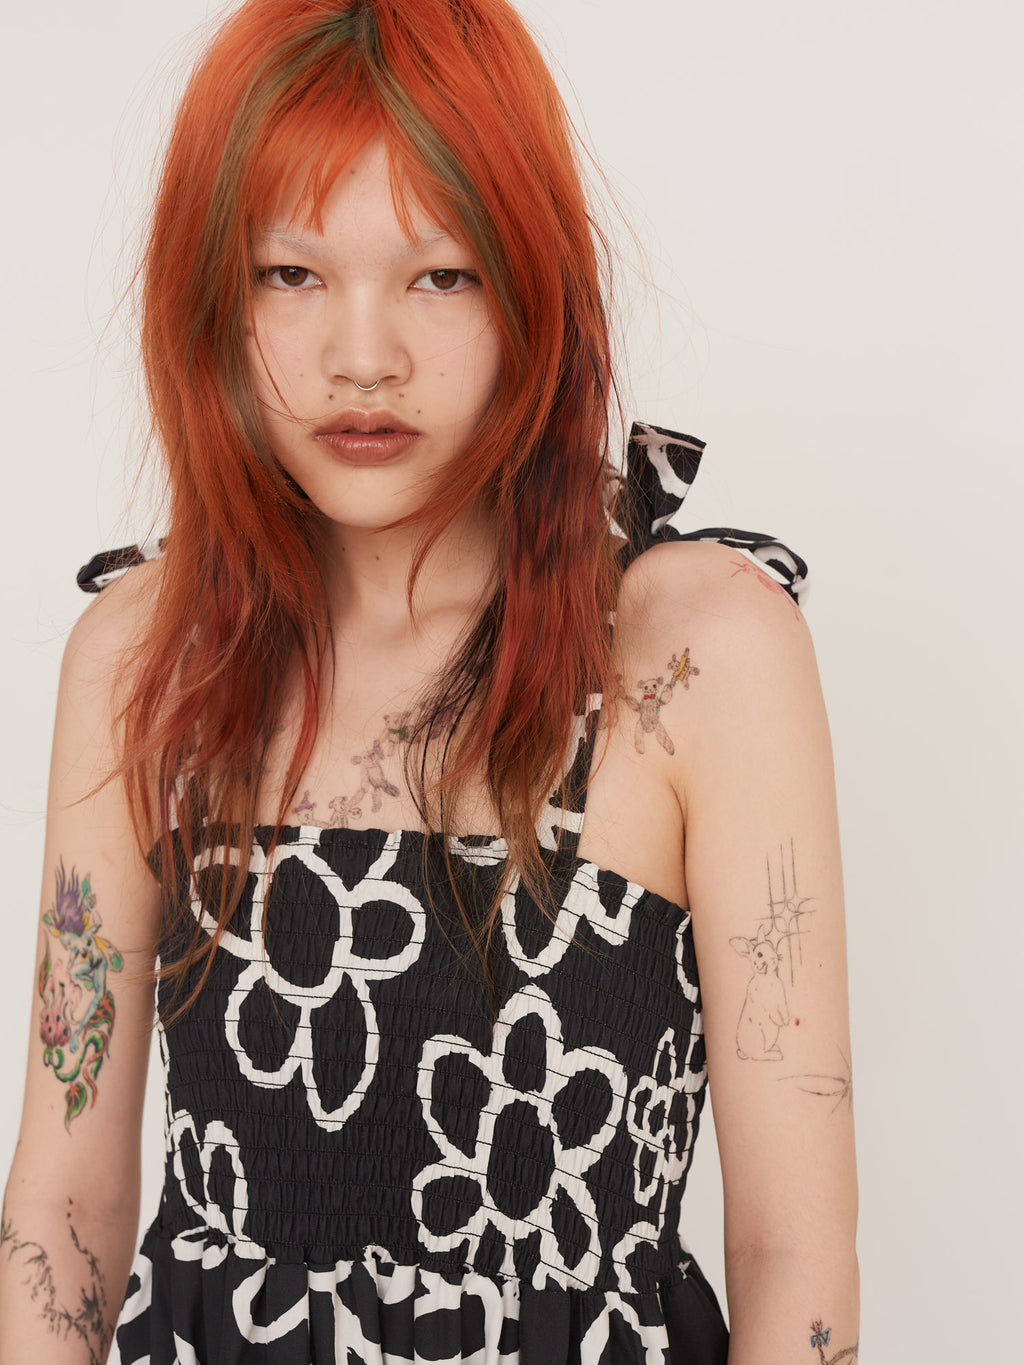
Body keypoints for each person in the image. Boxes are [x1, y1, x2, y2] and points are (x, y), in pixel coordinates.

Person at [0, 1, 858, 1361]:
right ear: (211, 297)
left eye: (440, 275)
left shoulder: (700, 652)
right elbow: (65, 1204)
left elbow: (793, 1256)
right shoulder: (144, 656)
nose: (364, 358)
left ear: (533, 287)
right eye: (291, 273)